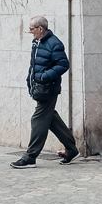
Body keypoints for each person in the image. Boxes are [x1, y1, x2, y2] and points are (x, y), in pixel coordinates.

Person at [10, 15, 79, 169]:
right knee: (51, 118)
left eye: (31, 29)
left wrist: (43, 77)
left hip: (48, 88)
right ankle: (72, 149)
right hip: (39, 88)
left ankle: (30, 157)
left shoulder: (54, 44)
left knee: (38, 120)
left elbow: (63, 65)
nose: (30, 32)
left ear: (40, 28)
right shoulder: (37, 42)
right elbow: (34, 65)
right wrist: (30, 80)